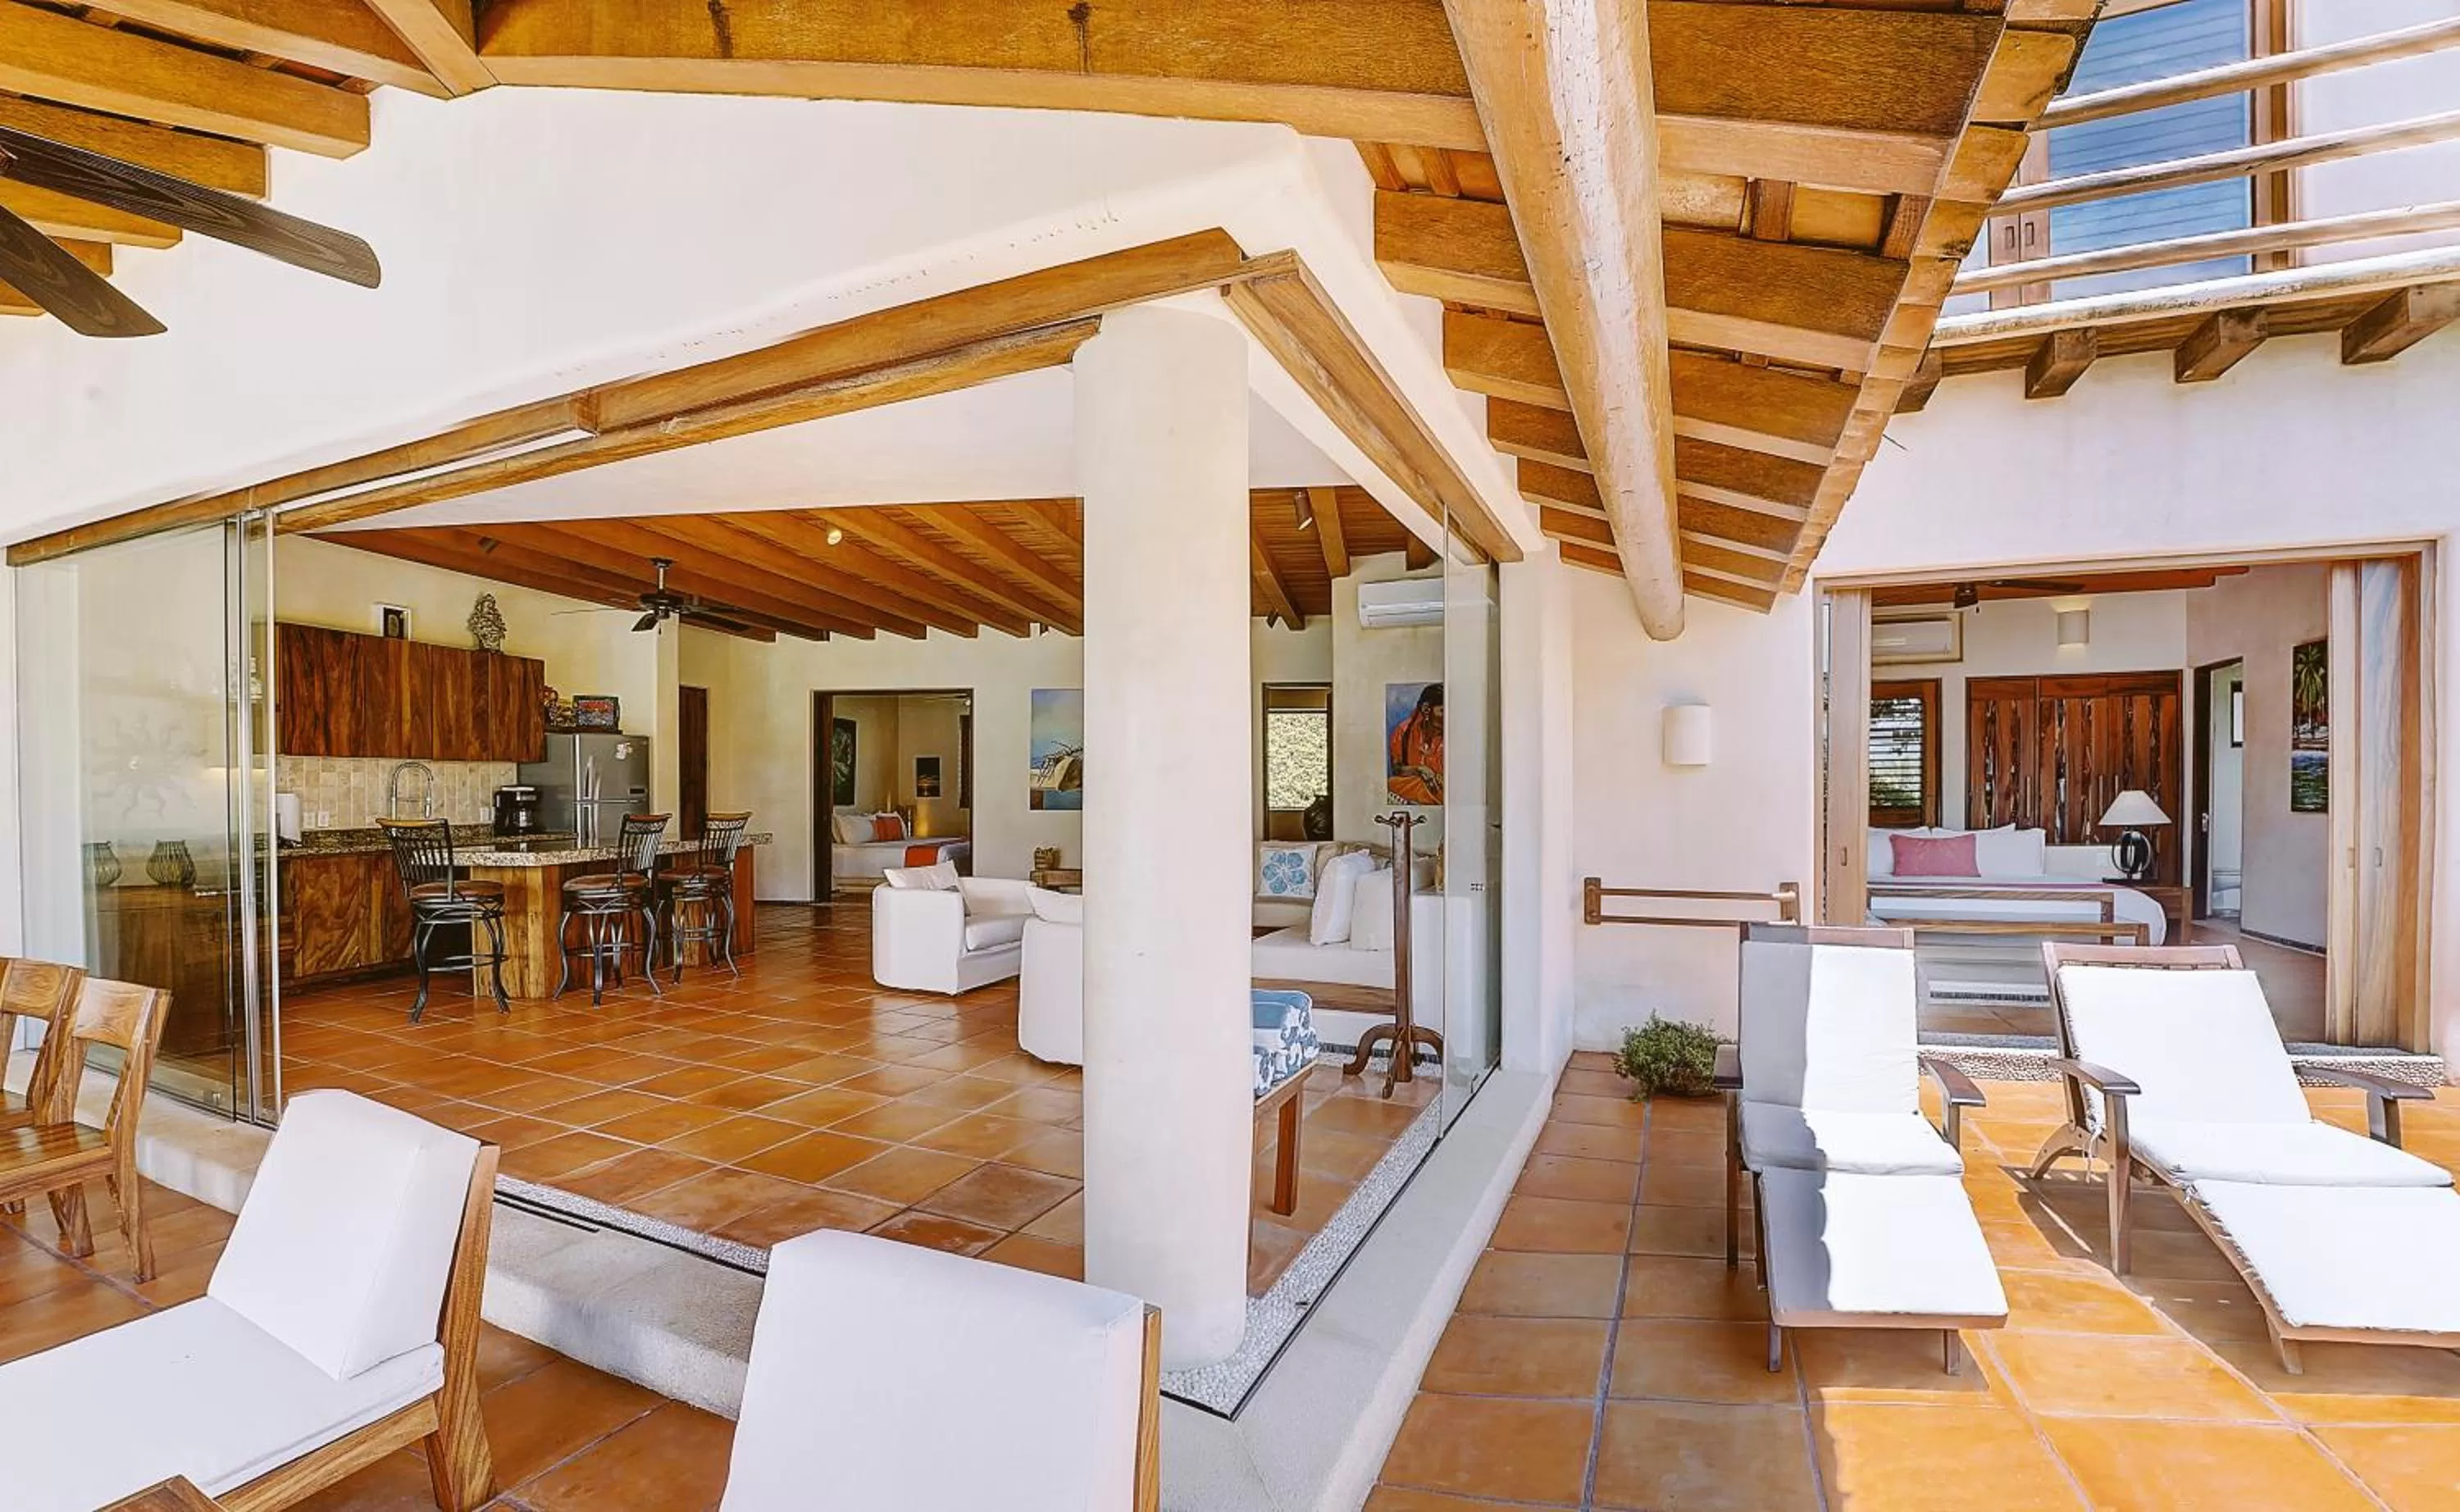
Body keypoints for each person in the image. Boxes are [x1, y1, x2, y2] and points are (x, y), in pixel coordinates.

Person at [1387, 684, 1444, 806]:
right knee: (1391, 784)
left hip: (1442, 792)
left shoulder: (1453, 735)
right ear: (1426, 709)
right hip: (1412, 789)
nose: (1448, 717)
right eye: (1443, 711)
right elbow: (1397, 769)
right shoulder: (1404, 731)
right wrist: (1419, 770)